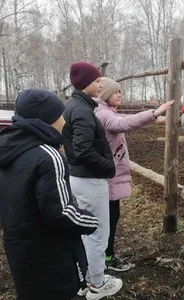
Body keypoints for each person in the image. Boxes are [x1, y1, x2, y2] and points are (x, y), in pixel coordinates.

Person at [0, 89, 99, 300]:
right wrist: (90, 220)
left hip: (19, 246)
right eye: (60, 114)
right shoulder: (49, 156)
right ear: (49, 119)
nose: (64, 119)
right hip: (50, 253)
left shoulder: (7, 150)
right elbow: (60, 212)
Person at [94, 77, 174, 271]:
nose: (119, 95)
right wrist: (153, 113)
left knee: (110, 216)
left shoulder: (103, 112)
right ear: (105, 95)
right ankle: (107, 258)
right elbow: (123, 124)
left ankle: (105, 255)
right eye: (115, 92)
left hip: (109, 174)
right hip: (109, 176)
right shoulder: (104, 114)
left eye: (120, 91)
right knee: (109, 218)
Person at [62, 62, 122, 300]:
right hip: (90, 180)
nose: (100, 84)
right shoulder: (84, 111)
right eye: (97, 81)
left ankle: (89, 278)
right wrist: (109, 167)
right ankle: (97, 285)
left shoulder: (74, 106)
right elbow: (83, 149)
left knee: (88, 230)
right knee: (98, 232)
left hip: (80, 178)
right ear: (86, 82)